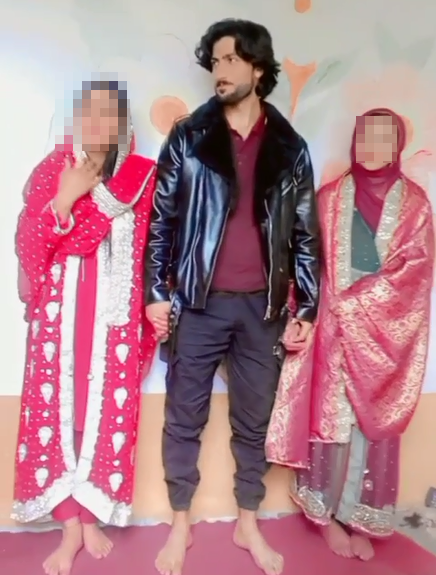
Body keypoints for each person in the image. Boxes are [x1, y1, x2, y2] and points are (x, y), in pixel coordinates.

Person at [144, 18, 321, 575]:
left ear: (258, 69)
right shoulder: (190, 137)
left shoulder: (290, 147)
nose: (218, 71)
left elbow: (306, 233)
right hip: (198, 303)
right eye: (214, 61)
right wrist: (156, 293)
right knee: (183, 417)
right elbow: (161, 221)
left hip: (262, 309)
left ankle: (248, 524)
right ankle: (180, 525)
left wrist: (307, 306)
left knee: (255, 421)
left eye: (230, 60)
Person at [266, 108, 435, 561]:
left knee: (371, 422)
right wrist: (302, 311)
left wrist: (359, 303)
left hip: (383, 332)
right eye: (365, 136)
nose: (372, 147)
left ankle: (359, 515)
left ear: (397, 146)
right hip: (332, 327)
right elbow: (306, 263)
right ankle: (327, 518)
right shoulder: (328, 199)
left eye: (383, 138)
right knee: (333, 419)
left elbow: (415, 273)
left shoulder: (416, 205)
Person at [13, 80, 157, 575]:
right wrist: (65, 198)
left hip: (114, 322)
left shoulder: (142, 177)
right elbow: (31, 249)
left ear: (122, 124)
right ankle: (68, 525)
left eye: (108, 113)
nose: (97, 122)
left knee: (101, 415)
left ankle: (92, 515)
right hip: (61, 320)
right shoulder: (53, 169)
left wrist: (156, 306)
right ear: (76, 119)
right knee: (58, 412)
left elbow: (154, 249)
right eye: (88, 112)